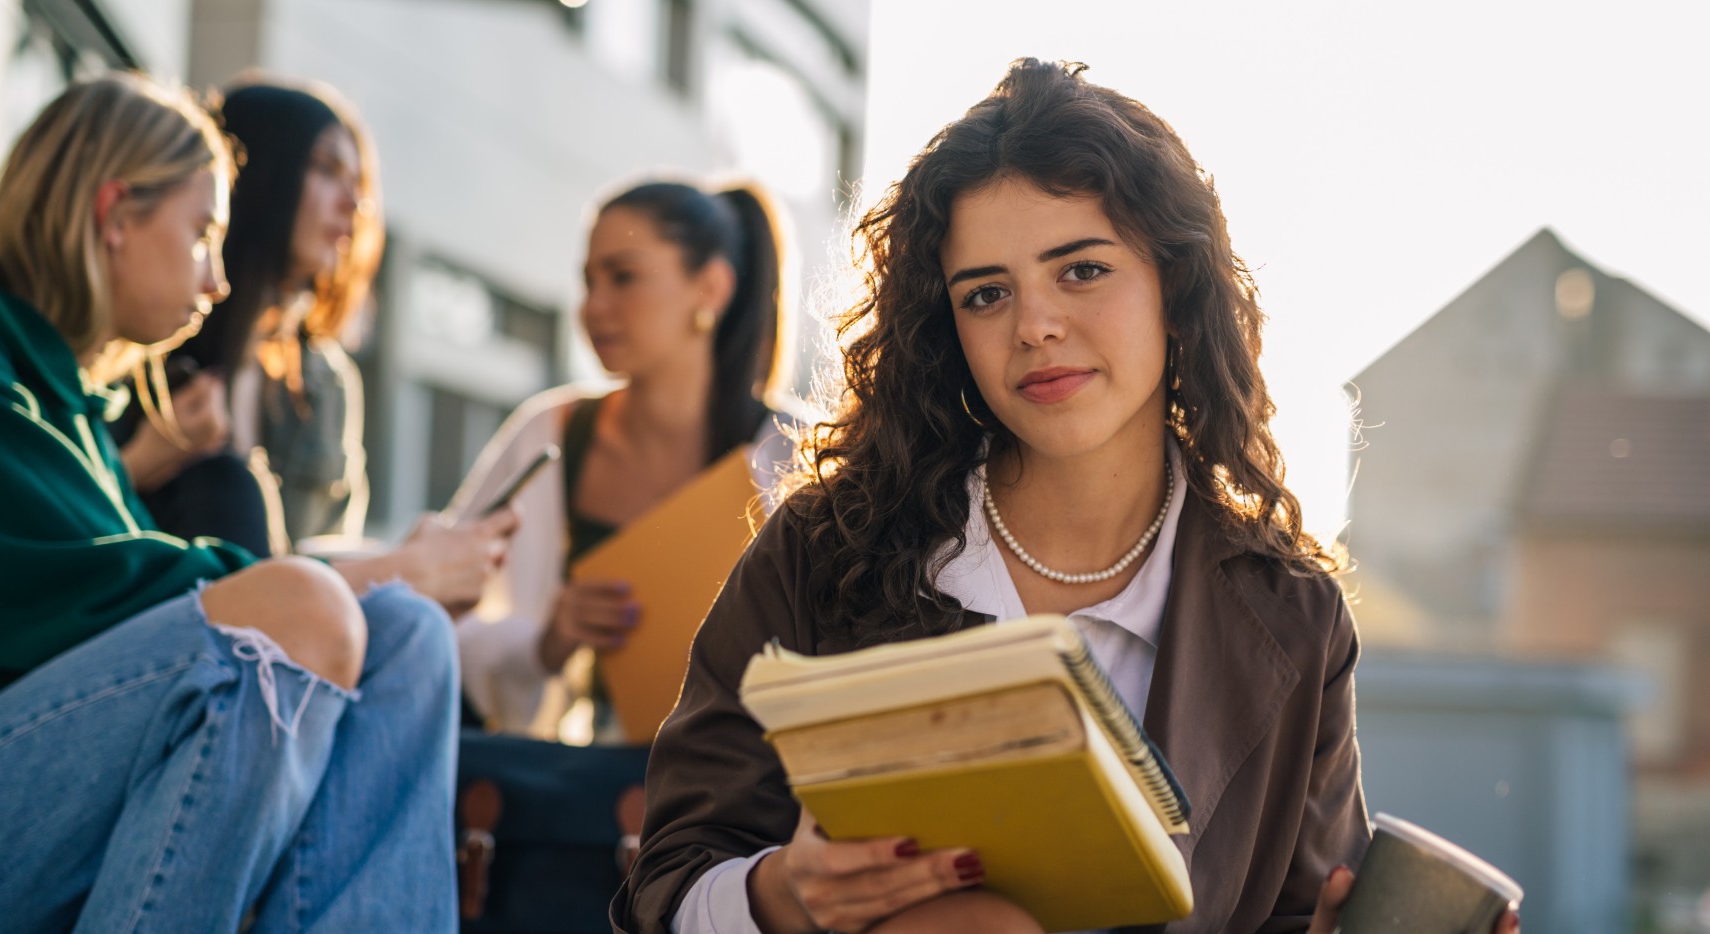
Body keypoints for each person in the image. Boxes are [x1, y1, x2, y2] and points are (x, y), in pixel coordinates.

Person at [613, 60, 1522, 934]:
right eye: (985, 295)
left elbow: (1289, 912)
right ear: (946, 328)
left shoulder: (1293, 616)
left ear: (1177, 288)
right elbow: (667, 881)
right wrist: (784, 894)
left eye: (1081, 270)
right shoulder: (826, 547)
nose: (1035, 325)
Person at [0, 73, 498, 931]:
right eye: (202, 234)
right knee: (293, 615)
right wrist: (387, 565)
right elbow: (103, 602)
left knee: (408, 635)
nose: (218, 280)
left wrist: (386, 581)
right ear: (116, 212)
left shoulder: (48, 385)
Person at [447, 180, 794, 739]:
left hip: (753, 797)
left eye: (623, 276)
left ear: (710, 288)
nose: (593, 307)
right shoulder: (549, 434)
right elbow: (436, 609)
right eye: (588, 281)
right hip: (582, 796)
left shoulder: (797, 451)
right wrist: (546, 642)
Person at [120, 77, 389, 556]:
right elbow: (69, 534)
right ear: (255, 171)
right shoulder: (138, 346)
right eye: (326, 169)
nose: (353, 203)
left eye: (358, 183)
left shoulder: (327, 384)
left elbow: (334, 565)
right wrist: (144, 460)